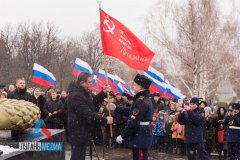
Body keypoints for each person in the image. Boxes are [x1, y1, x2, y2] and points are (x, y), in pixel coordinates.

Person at [67, 72, 113, 160]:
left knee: (81, 156)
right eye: (89, 82)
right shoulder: (75, 95)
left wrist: (103, 93)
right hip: (78, 132)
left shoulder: (83, 92)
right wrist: (105, 120)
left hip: (83, 131)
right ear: (82, 83)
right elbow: (88, 114)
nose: (91, 84)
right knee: (78, 156)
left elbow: (92, 103)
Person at [113, 74, 153, 160]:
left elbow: (133, 122)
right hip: (141, 136)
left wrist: (123, 136)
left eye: (135, 84)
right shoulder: (141, 99)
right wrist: (116, 108)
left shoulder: (141, 101)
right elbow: (131, 112)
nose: (133, 86)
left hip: (140, 136)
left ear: (140, 86)